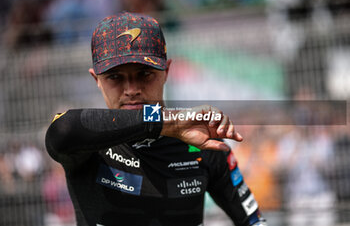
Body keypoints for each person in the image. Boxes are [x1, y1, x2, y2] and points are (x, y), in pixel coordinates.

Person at [45, 12, 267, 226]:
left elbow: (253, 221)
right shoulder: (88, 141)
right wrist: (166, 122)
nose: (131, 89)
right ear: (97, 80)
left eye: (145, 74)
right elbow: (62, 130)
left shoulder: (202, 141)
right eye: (115, 77)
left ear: (167, 71)